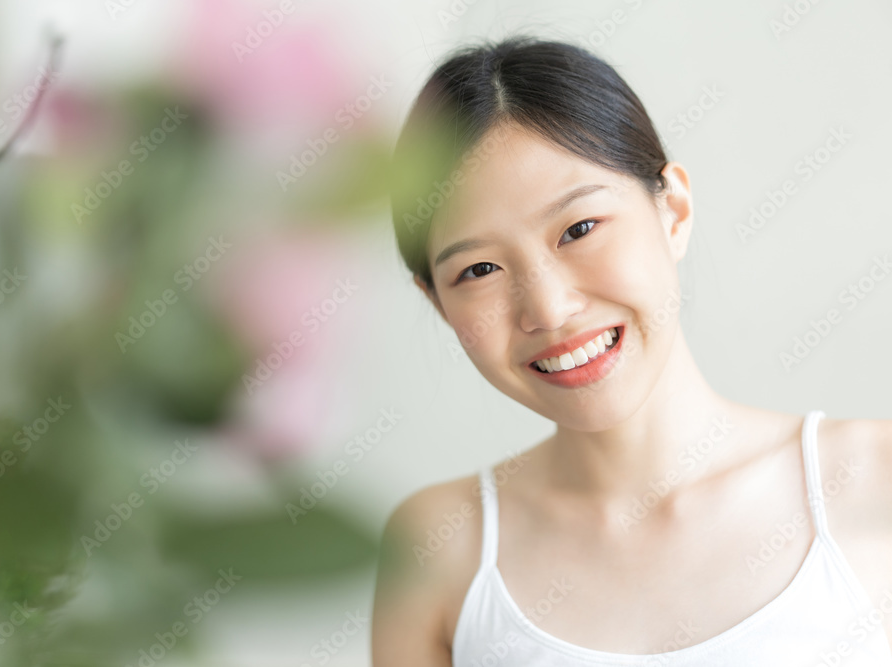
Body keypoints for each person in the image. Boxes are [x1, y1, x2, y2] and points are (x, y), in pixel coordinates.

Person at [372, 35, 892, 665]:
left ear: (672, 209)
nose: (549, 310)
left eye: (579, 229)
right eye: (479, 270)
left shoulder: (874, 478)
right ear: (436, 302)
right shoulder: (439, 545)